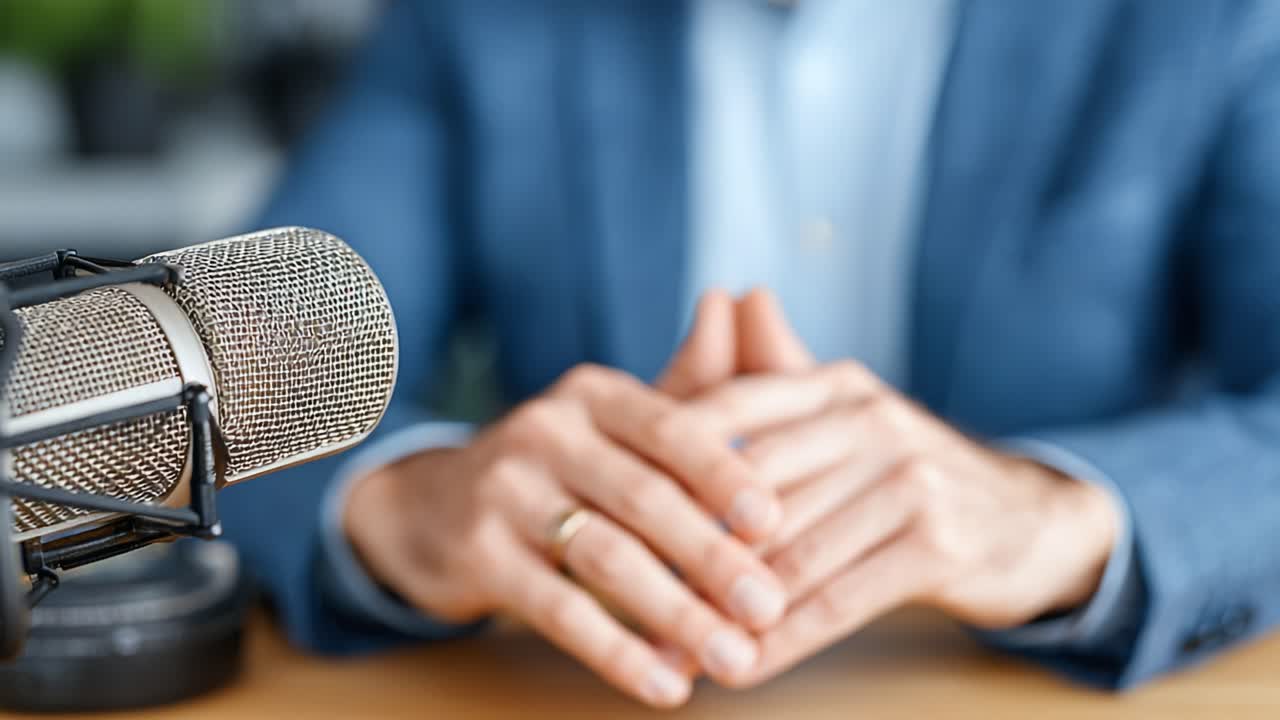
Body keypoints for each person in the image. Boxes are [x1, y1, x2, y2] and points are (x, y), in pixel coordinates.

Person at [220, 0, 1280, 708]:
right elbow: (230, 373)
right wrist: (405, 504)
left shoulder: (1204, 20)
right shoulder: (479, 20)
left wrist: (1053, 515)